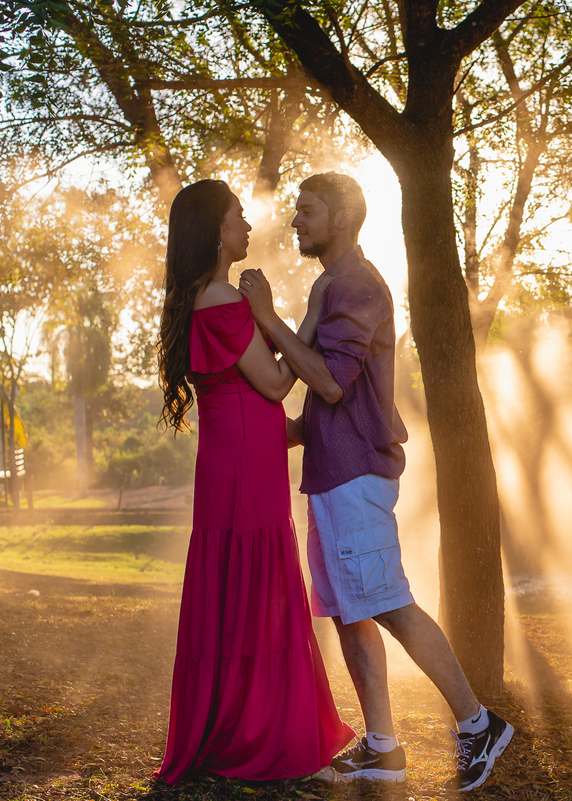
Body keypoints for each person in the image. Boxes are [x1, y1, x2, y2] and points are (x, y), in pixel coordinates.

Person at [239, 172, 513, 792]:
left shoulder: (358, 285)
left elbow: (332, 383)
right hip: (333, 474)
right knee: (350, 611)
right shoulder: (330, 284)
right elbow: (333, 400)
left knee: (385, 600)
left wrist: (267, 317)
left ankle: (477, 725)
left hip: (357, 477)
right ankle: (384, 745)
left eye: (307, 211)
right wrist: (271, 432)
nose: (295, 221)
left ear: (341, 218)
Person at [155, 179, 355, 784]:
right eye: (238, 217)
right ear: (218, 230)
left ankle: (236, 723)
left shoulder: (202, 297)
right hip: (244, 463)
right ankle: (262, 733)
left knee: (236, 591)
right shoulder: (221, 299)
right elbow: (271, 384)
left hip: (234, 456)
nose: (247, 227)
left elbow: (252, 388)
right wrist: (302, 317)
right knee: (260, 589)